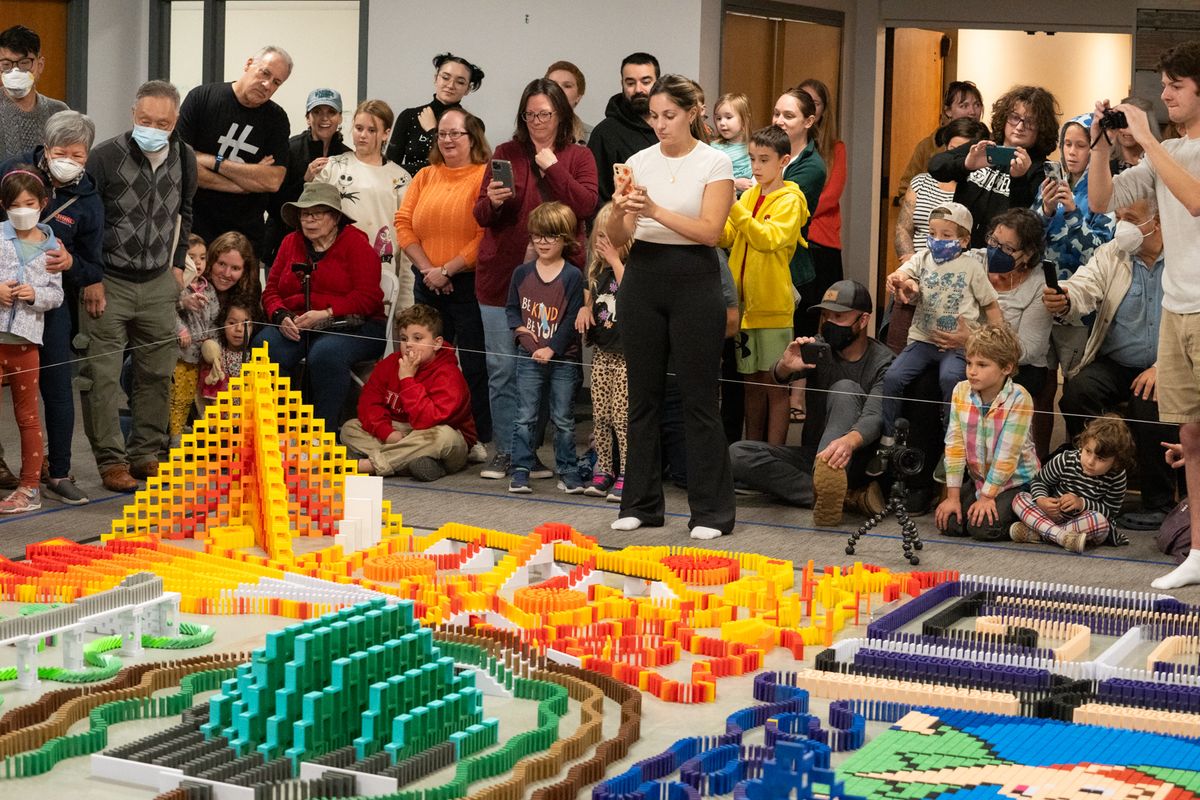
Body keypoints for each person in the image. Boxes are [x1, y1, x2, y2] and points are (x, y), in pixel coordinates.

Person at [1086, 40, 1200, 589]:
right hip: (1177, 307)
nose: (1166, 95)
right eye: (1164, 86)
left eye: (1176, 86)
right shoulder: (1165, 152)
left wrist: (1149, 139)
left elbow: (1196, 200)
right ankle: (1198, 550)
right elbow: (1102, 202)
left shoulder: (1174, 151)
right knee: (1192, 434)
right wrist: (1102, 147)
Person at [606, 74, 735, 540]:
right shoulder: (639, 161)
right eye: (653, 116)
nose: (660, 124)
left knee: (700, 401)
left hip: (695, 279)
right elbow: (618, 239)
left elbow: (710, 231)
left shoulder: (714, 161)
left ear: (692, 112)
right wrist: (622, 209)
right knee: (643, 397)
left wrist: (655, 209)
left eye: (669, 115)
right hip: (643, 278)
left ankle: (711, 513)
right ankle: (640, 504)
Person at [473, 78, 597, 481]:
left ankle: (537, 454)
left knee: (548, 365)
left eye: (544, 114)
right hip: (502, 276)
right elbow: (480, 215)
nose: (536, 122)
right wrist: (490, 202)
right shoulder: (506, 153)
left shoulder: (578, 156)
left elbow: (584, 205)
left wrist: (553, 167)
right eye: (530, 115)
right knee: (503, 368)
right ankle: (508, 452)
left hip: (558, 281)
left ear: (560, 115)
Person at [81, 80, 196, 493]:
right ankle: (111, 462)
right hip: (108, 282)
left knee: (156, 373)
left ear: (175, 120)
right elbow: (84, 223)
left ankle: (145, 454)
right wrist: (90, 277)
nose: (153, 127)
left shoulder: (184, 156)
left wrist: (179, 265)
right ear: (133, 115)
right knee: (103, 377)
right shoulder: (104, 157)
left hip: (158, 282)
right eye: (145, 120)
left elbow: (186, 211)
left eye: (162, 122)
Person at [1043, 197, 1179, 530]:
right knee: (1077, 392)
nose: (1122, 226)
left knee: (1148, 400)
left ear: (1157, 221)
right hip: (1118, 360)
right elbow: (1085, 284)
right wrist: (1066, 295)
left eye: (1130, 218)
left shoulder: (1187, 257)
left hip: (1170, 363)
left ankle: (1159, 503)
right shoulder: (1112, 254)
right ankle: (1096, 480)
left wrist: (1165, 365)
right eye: (1118, 217)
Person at [0, 109, 103, 504]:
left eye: (78, 155)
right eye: (62, 151)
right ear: (46, 146)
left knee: (58, 390)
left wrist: (72, 264)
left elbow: (94, 266)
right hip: (4, 311)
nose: (69, 160)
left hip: (51, 308)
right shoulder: (14, 171)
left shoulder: (90, 201)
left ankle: (57, 472)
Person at [730, 280, 892, 527]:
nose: (829, 324)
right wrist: (785, 366)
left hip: (854, 459)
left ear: (863, 320)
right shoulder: (818, 347)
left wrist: (848, 442)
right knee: (737, 454)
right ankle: (842, 496)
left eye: (838, 316)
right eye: (826, 316)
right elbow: (776, 378)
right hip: (813, 454)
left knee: (845, 389)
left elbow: (874, 416)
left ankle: (830, 486)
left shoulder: (883, 361)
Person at [395, 107, 490, 461]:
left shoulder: (484, 176)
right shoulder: (424, 176)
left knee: (475, 364)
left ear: (472, 137)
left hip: (468, 284)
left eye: (455, 134)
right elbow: (404, 223)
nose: (447, 140)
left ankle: (476, 435)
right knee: (430, 362)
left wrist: (447, 270)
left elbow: (485, 235)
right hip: (428, 282)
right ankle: (429, 430)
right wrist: (429, 271)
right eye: (442, 134)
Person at [256, 181, 385, 431]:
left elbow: (369, 298)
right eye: (305, 214)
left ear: (335, 217)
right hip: (299, 323)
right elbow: (270, 290)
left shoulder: (357, 245)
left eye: (317, 213)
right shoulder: (289, 242)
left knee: (326, 353)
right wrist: (281, 315)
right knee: (265, 346)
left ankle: (322, 435)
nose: (309, 220)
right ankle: (276, 430)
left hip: (355, 325)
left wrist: (327, 312)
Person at [877, 202, 1002, 460]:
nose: (937, 240)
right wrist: (897, 279)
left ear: (965, 240)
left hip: (956, 346)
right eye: (932, 234)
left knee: (950, 379)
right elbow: (903, 274)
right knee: (892, 377)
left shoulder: (972, 268)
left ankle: (951, 443)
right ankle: (888, 437)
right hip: (923, 340)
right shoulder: (922, 258)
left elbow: (990, 305)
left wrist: (993, 342)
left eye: (946, 235)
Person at [719, 125, 807, 445]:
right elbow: (730, 235)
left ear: (783, 161)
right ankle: (752, 455)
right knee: (751, 385)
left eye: (764, 160)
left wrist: (734, 208)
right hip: (745, 309)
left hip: (771, 308)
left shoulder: (790, 200)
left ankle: (774, 457)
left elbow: (768, 239)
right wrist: (712, 219)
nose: (756, 167)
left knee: (774, 385)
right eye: (753, 159)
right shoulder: (751, 195)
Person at [177, 45, 292, 256]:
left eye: (276, 82)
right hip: (195, 232)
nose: (267, 84)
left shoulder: (276, 119)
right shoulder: (201, 99)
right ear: (248, 64)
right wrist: (242, 184)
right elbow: (181, 165)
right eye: (264, 73)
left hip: (245, 238)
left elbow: (272, 180)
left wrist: (213, 161)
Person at [341, 304, 476, 481]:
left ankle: (370, 465)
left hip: (438, 435)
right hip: (400, 432)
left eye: (418, 338)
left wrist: (407, 379)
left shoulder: (448, 374)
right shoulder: (390, 363)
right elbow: (368, 403)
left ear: (437, 343)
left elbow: (427, 421)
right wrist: (387, 433)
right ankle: (412, 463)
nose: (409, 345)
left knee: (443, 437)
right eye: (404, 339)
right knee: (350, 428)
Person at [505, 202, 585, 494]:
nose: (542, 242)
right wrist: (528, 342)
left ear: (564, 238)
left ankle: (568, 470)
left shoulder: (573, 276)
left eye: (550, 236)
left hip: (563, 360)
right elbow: (513, 313)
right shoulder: (521, 274)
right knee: (525, 415)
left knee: (563, 418)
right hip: (528, 357)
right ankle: (521, 469)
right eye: (537, 235)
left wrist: (551, 349)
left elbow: (571, 320)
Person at [936, 324, 1039, 541]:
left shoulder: (1019, 398)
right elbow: (954, 445)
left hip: (1016, 482)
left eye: (982, 365)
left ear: (1006, 368)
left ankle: (1030, 520)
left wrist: (987, 497)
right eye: (969, 363)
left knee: (982, 528)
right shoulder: (960, 391)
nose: (972, 371)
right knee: (951, 523)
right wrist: (952, 496)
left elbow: (1007, 456)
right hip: (980, 479)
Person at [0, 167, 63, 512]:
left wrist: (34, 294)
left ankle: (29, 487)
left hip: (25, 344)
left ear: (42, 204)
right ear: (4, 206)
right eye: (14, 205)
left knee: (27, 417)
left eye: (28, 203)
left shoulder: (53, 247)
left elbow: (56, 295)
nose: (22, 210)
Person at [929, 85, 1059, 246]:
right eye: (1014, 117)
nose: (1019, 127)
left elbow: (1024, 224)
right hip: (959, 249)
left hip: (1000, 257)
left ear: (1042, 127)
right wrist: (966, 164)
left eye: (1030, 121)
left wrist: (1019, 179)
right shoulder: (982, 147)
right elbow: (935, 167)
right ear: (1005, 118)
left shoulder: (1040, 169)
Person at [315, 99, 412, 305]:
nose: (363, 135)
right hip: (333, 266)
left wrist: (405, 299)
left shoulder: (400, 178)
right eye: (359, 128)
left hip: (380, 268)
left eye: (371, 130)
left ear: (386, 133)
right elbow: (310, 216)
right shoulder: (333, 166)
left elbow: (407, 236)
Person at [1010, 415, 1134, 553]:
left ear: (1116, 461)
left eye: (1100, 458)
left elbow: (1110, 511)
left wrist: (1081, 503)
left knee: (1100, 522)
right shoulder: (1065, 459)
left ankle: (1041, 534)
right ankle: (1062, 537)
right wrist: (1042, 500)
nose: (1090, 462)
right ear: (1082, 444)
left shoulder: (1117, 476)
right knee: (1020, 498)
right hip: (1051, 516)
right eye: (1088, 451)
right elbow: (1040, 481)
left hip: (1082, 523)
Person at [576, 202, 629, 502]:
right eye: (600, 238)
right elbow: (590, 300)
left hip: (627, 354)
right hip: (603, 352)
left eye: (610, 239)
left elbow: (632, 294)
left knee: (623, 416)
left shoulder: (632, 266)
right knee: (601, 414)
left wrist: (615, 259)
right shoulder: (597, 271)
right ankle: (605, 467)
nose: (604, 245)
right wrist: (584, 310)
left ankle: (628, 471)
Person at [264, 88, 349, 264]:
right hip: (284, 243)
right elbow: (272, 204)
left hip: (330, 247)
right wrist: (305, 181)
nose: (324, 118)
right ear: (308, 118)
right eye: (317, 112)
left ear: (340, 118)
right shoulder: (289, 149)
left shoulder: (347, 156)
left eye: (331, 112)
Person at [894, 118, 990, 263]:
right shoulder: (921, 182)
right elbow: (903, 229)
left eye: (964, 151)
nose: (958, 157)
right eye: (953, 150)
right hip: (915, 267)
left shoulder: (981, 188)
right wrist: (911, 265)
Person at [385, 53, 484, 174]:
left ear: (468, 89)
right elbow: (389, 167)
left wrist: (432, 131)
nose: (450, 85)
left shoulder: (473, 123)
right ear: (435, 78)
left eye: (460, 82)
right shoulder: (409, 116)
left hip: (451, 189)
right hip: (409, 189)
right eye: (445, 78)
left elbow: (454, 166)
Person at [799, 79, 846, 322]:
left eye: (815, 103)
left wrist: (794, 211)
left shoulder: (835, 148)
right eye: (803, 101)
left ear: (823, 110)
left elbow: (830, 196)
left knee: (828, 316)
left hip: (823, 241)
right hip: (792, 240)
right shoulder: (787, 146)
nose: (809, 108)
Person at [589, 52, 660, 203]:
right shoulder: (605, 133)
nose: (638, 89)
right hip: (624, 221)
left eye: (646, 82)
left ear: (658, 83)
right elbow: (597, 198)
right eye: (630, 83)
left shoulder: (673, 128)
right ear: (622, 84)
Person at [896, 80, 984, 201]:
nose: (972, 112)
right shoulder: (928, 146)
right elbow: (905, 189)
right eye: (964, 106)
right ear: (948, 111)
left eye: (977, 105)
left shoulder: (992, 144)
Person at [168, 233, 218, 446]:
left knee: (202, 397)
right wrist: (181, 330)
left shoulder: (209, 287)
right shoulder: (178, 287)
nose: (198, 263)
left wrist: (213, 343)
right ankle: (175, 437)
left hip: (202, 357)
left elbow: (215, 317)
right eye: (192, 257)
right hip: (183, 355)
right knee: (180, 397)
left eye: (202, 257)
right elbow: (167, 311)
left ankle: (202, 437)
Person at [0, 25, 68, 162]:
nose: (15, 71)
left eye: (24, 63)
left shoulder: (58, 112)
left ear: (40, 65)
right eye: (6, 64)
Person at [198, 297, 254, 408]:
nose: (238, 329)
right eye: (232, 322)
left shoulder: (254, 357)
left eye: (245, 324)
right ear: (223, 324)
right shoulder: (216, 354)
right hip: (219, 411)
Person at [206, 230, 261, 313]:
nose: (226, 274)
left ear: (244, 271)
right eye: (222, 264)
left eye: (235, 268)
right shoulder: (193, 286)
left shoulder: (251, 290)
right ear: (211, 262)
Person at [710, 93, 753, 194]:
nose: (722, 123)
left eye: (728, 117)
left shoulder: (754, 145)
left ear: (744, 119)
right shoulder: (715, 148)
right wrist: (735, 183)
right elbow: (710, 177)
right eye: (718, 118)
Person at [1110, 96, 1161, 175]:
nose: (1125, 129)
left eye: (1132, 122)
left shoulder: (1161, 162)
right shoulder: (1105, 163)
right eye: (1123, 122)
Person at [545, 60, 592, 144]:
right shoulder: (526, 133)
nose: (558, 90)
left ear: (579, 96)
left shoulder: (592, 136)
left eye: (567, 86)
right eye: (553, 84)